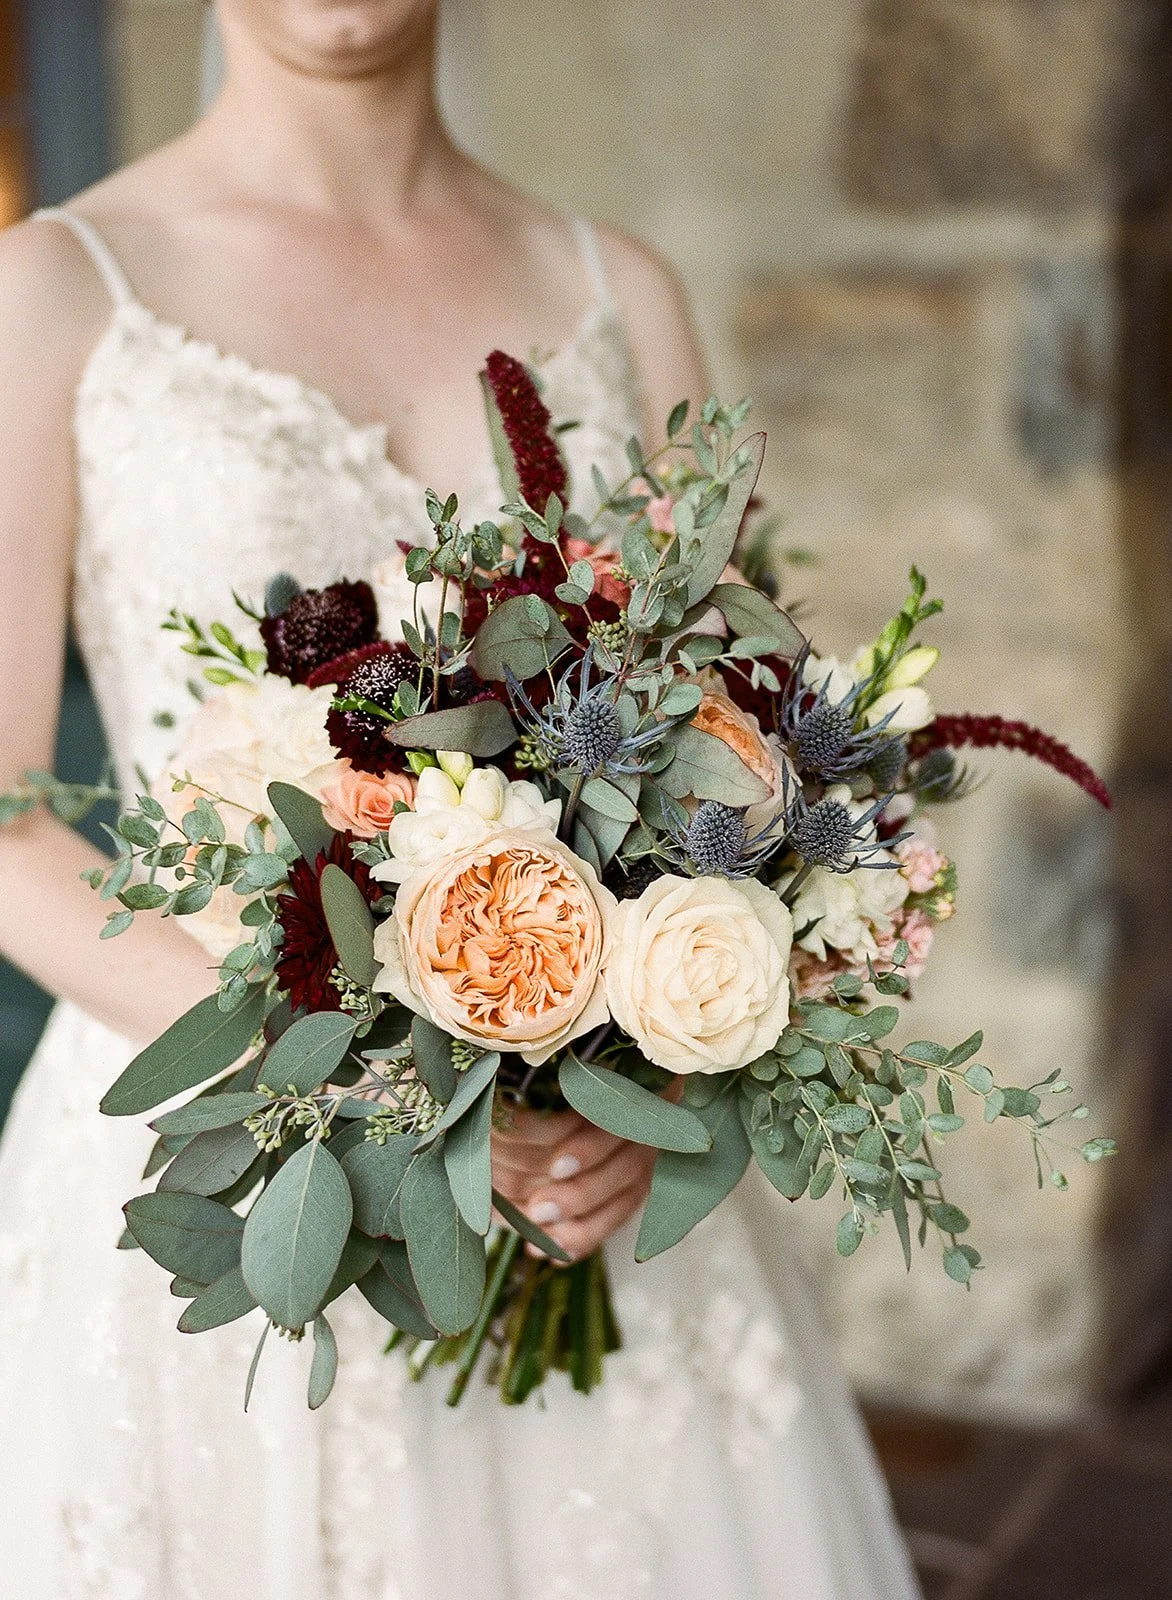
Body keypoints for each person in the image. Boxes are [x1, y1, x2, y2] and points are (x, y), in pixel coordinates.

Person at [0, 3, 922, 1595]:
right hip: (236, 1151)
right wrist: (366, 1084)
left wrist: (670, 1069)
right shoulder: (59, 293)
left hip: (589, 1179)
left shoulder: (618, 292)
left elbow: (742, 750)